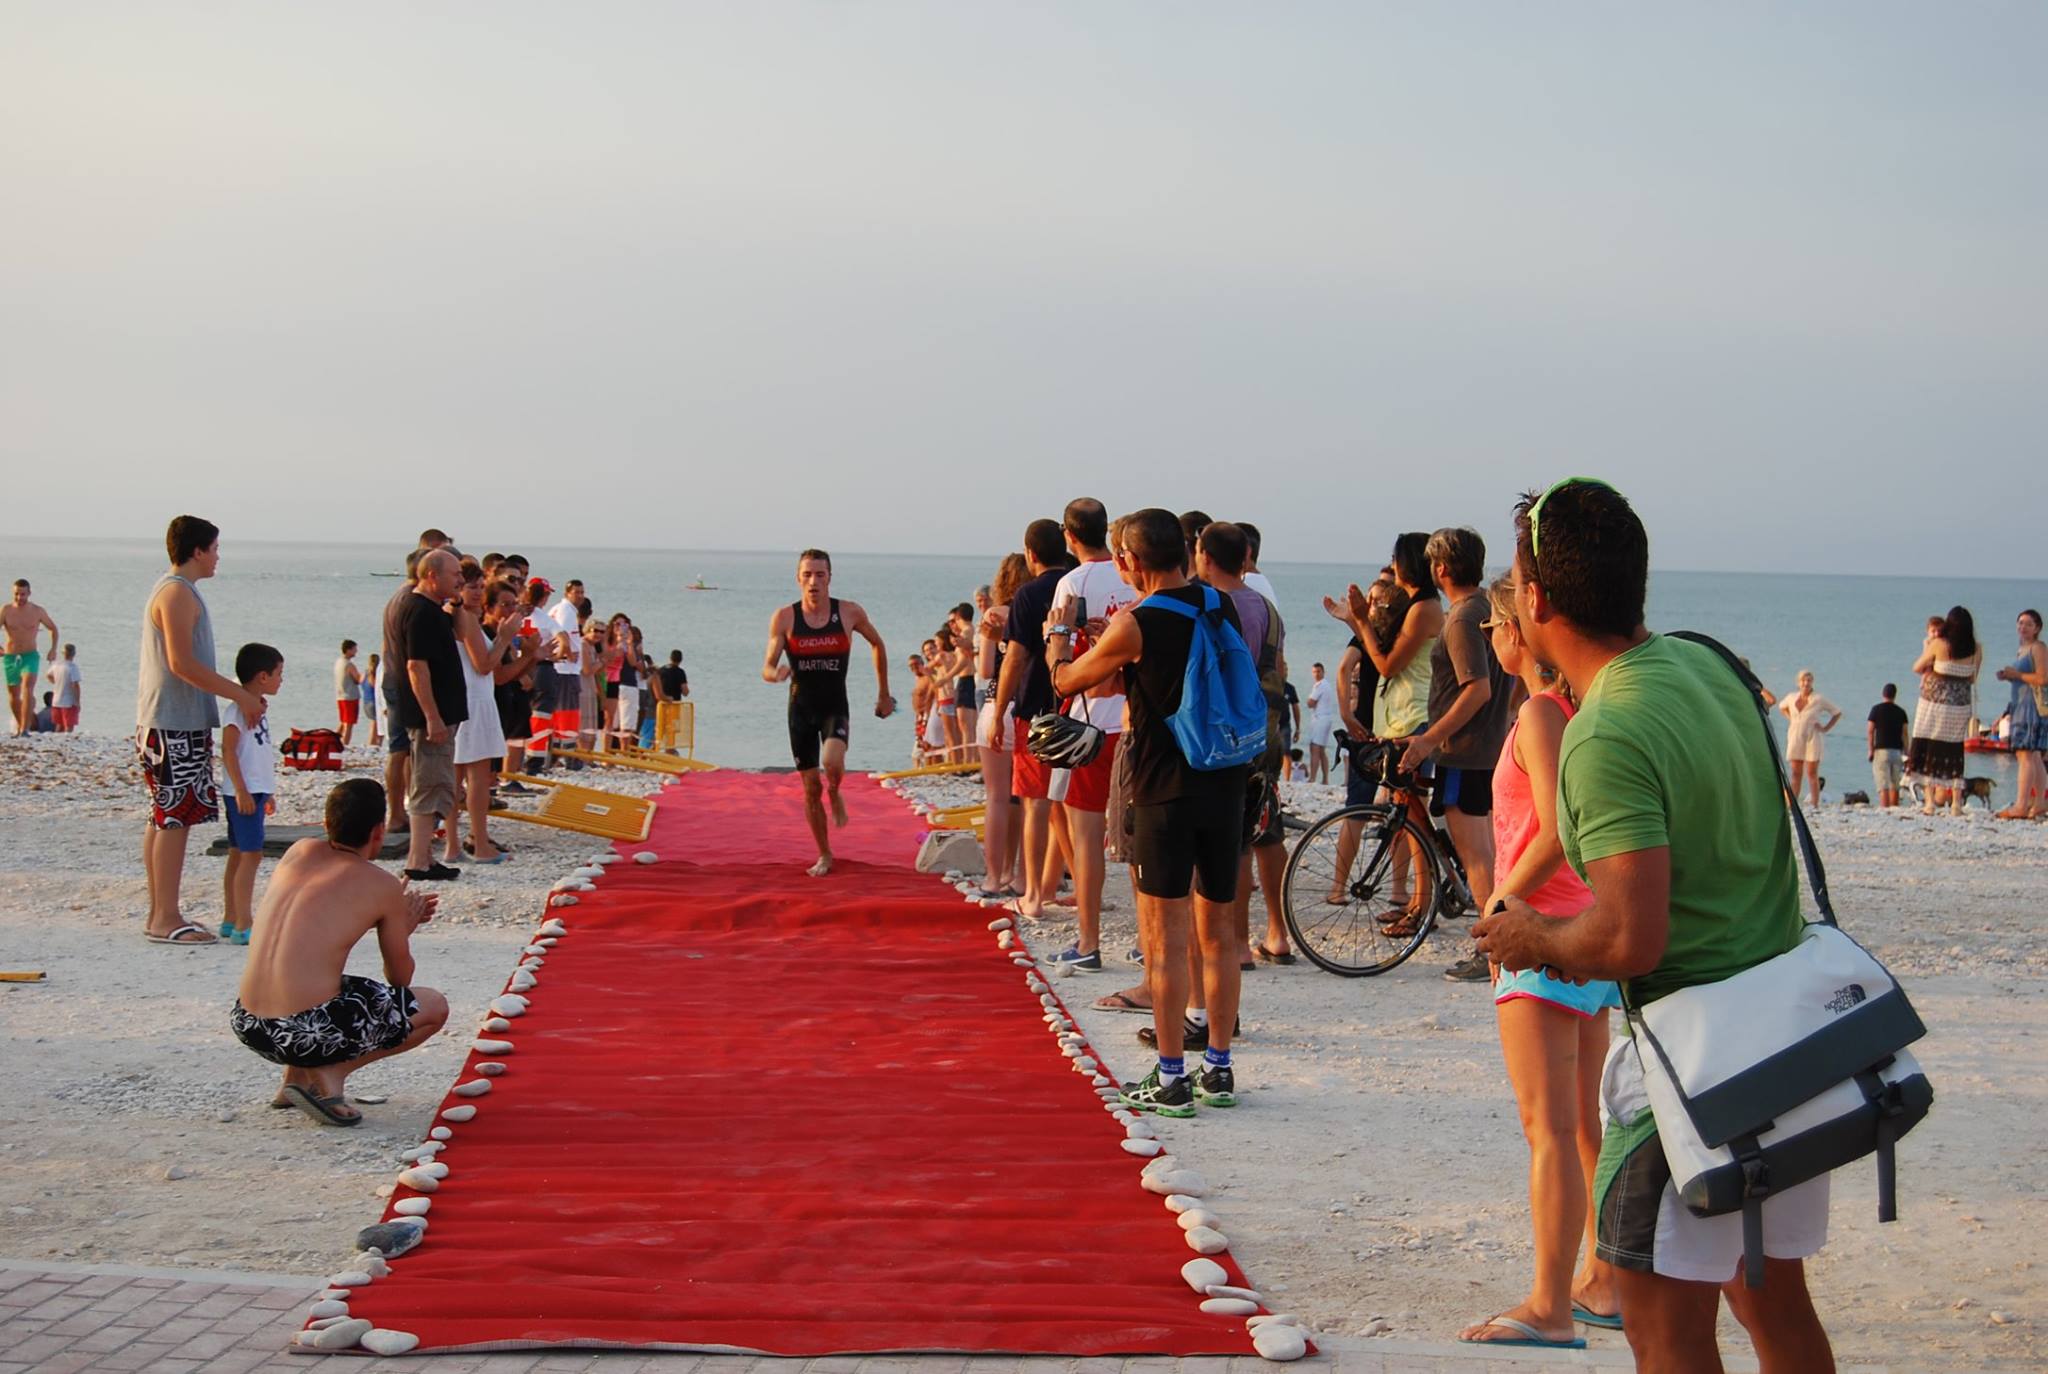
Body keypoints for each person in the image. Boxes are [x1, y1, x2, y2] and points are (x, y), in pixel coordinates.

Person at [1474, 479, 1833, 1374]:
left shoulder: (1604, 733)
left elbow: (1631, 939)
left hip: (1690, 1065)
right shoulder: (1707, 666)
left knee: (1664, 1330)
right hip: (1784, 1036)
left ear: (1540, 600)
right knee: (1773, 1302)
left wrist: (1534, 941)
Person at [1458, 574, 1620, 1349]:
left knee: (1549, 1129)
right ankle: (1602, 1281)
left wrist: (1498, 903)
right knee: (1583, 1127)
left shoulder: (1536, 712)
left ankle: (1551, 1305)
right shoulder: (1573, 710)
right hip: (1579, 929)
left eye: (1494, 627)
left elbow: (1557, 827)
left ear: (1515, 633)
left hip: (1542, 932)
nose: (1490, 640)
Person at [1050, 507, 1249, 1117]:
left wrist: (1058, 638)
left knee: (1163, 942)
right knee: (1219, 935)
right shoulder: (1222, 605)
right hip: (1226, 780)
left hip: (1165, 790)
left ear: (1132, 561)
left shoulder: (1137, 622)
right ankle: (1218, 1068)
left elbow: (1069, 683)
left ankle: (1170, 1078)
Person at [230, 779, 451, 1126]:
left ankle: (295, 1079)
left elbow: (315, 936)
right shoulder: (381, 884)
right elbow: (400, 980)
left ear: (326, 825)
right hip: (306, 1033)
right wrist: (400, 927)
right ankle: (333, 1073)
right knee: (433, 1006)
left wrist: (379, 917)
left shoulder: (298, 851)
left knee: (322, 980)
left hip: (250, 1023)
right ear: (379, 832)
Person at [138, 515, 263, 946]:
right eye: (214, 549)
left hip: (172, 720)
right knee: (175, 818)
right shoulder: (176, 593)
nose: (217, 557)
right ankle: (165, 917)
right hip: (173, 721)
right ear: (197, 550)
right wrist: (241, 695)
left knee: (166, 816)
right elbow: (181, 664)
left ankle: (161, 912)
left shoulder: (178, 591)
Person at [1401, 527, 1515, 983]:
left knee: (1478, 860)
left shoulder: (1465, 617)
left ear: (1441, 568)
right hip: (1488, 749)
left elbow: (1478, 689)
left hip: (1465, 753)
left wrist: (1429, 739)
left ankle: (1491, 954)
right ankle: (1498, 948)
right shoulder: (1490, 607)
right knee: (1489, 855)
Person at [1043, 497, 1138, 971]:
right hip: (1136, 718)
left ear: (1069, 535)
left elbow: (1060, 655)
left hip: (1091, 717)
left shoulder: (1073, 582)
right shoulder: (1132, 577)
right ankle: (1147, 936)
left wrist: (1053, 636)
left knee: (1085, 833)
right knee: (1139, 833)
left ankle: (1089, 941)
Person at [1328, 535, 1441, 928]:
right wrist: (1355, 618)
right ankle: (1415, 903)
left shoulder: (1424, 608)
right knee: (1407, 817)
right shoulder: (1414, 608)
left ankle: (1420, 905)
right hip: (1398, 721)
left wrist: (1360, 619)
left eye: (1396, 559)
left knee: (1414, 820)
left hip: (1412, 720)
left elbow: (1388, 665)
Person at [760, 549, 894, 876]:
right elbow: (767, 664)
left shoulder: (848, 612)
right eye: (807, 575)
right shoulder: (784, 618)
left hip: (835, 705)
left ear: (830, 578)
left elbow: (878, 644)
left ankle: (835, 790)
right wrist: (773, 673)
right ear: (798, 579)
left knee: (832, 762)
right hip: (800, 710)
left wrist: (883, 693)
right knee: (809, 788)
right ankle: (824, 853)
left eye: (820, 575)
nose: (813, 581)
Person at [986, 520, 1069, 917]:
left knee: (1036, 803)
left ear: (1031, 553)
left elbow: (1014, 659)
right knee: (1070, 806)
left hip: (1036, 709)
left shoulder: (1030, 594)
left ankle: (1034, 892)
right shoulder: (1078, 584)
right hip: (1079, 707)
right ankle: (1058, 886)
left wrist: (998, 711)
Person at [390, 549, 468, 881]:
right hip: (429, 717)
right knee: (428, 783)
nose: (460, 580)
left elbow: (462, 633)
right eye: (453, 575)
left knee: (439, 784)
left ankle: (422, 856)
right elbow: (416, 668)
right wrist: (432, 716)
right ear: (432, 575)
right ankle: (417, 859)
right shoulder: (419, 611)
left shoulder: (435, 610)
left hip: (443, 713)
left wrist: (459, 602)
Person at [447, 566, 526, 865]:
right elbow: (484, 665)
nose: (479, 592)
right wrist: (505, 637)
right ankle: (479, 844)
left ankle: (454, 844)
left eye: (481, 586)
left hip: (466, 698)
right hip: (475, 699)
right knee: (476, 779)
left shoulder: (459, 616)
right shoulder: (465, 618)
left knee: (456, 779)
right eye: (472, 586)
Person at [380, 531, 455, 832]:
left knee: (403, 750)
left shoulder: (405, 599)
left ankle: (404, 812)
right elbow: (415, 662)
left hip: (397, 679)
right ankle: (403, 813)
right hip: (402, 682)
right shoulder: (413, 603)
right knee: (405, 750)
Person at [219, 643, 284, 945]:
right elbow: (228, 750)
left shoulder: (257, 708)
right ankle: (245, 921)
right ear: (261, 676)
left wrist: (266, 792)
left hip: (256, 790)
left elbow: (256, 753)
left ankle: (231, 918)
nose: (281, 680)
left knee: (237, 854)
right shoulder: (238, 710)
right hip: (243, 792)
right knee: (251, 856)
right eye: (278, 674)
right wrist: (242, 791)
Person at [976, 553, 1028, 898]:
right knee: (1026, 799)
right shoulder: (1034, 612)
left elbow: (983, 670)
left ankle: (993, 877)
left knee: (996, 798)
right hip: (1025, 708)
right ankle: (1021, 874)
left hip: (995, 705)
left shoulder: (994, 615)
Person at [1906, 607, 1981, 817]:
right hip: (1959, 706)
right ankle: (1956, 804)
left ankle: (1930, 802)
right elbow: (1973, 678)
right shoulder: (1976, 648)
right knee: (1954, 751)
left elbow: (1917, 666)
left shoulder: (1940, 644)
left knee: (1929, 748)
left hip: (1933, 702)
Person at [1992, 610, 2047, 819]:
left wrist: (2017, 675)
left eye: (2028, 624)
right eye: (2020, 623)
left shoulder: (2038, 647)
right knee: (2033, 756)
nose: (2023, 627)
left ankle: (2021, 805)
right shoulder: (2022, 650)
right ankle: (2039, 803)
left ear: (2037, 628)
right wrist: (2009, 677)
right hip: (2021, 703)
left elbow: (2043, 678)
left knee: (2025, 754)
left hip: (2032, 707)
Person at [3, 578, 59, 737]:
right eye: (16, 594)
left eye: (23, 594)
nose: (20, 598)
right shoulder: (6, 610)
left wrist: (53, 649)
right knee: (13, 694)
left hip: (30, 655)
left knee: (28, 687)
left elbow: (53, 629)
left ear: (29, 593)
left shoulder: (37, 611)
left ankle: (24, 729)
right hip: (11, 656)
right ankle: (20, 724)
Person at [1777, 672, 1841, 809]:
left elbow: (1836, 712)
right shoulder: (1791, 697)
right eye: (1803, 680)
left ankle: (1814, 803)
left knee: (1812, 772)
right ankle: (1792, 803)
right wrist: (1791, 719)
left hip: (1813, 736)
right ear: (1798, 682)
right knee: (1795, 772)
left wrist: (1825, 728)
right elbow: (1781, 707)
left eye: (1809, 680)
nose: (1806, 683)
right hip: (1795, 736)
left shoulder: (1818, 699)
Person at [1866, 684, 1909, 809]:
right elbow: (1905, 734)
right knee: (1895, 784)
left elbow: (1870, 730)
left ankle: (1884, 808)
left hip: (1881, 750)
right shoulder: (1901, 712)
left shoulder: (1876, 709)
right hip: (1897, 751)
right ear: (1895, 695)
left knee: (1883, 783)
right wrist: (1907, 752)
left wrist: (1870, 749)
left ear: (1883, 694)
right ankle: (1894, 808)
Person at [1303, 662, 1336, 783]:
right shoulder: (1323, 685)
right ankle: (1325, 779)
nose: (1316, 674)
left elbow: (1310, 703)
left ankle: (1313, 777)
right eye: (1314, 672)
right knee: (1321, 749)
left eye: (1318, 672)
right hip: (1323, 718)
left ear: (1323, 672)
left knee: (1315, 748)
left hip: (1321, 718)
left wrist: (1310, 701)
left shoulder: (1321, 685)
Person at [654, 649, 690, 752]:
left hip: (660, 704)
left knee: (660, 727)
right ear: (681, 660)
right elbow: (685, 692)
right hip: (674, 705)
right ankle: (669, 749)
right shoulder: (680, 672)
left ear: (670, 658)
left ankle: (655, 748)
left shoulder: (661, 670)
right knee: (672, 729)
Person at [45, 643, 82, 732]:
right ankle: (67, 739)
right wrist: (77, 701)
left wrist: (55, 682)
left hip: (56, 699)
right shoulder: (72, 667)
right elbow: (75, 685)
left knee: (59, 723)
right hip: (68, 701)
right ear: (73, 654)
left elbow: (48, 675)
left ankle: (57, 740)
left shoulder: (56, 665)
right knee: (69, 724)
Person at [333, 640, 362, 747]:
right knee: (349, 724)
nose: (356, 651)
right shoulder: (349, 665)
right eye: (354, 649)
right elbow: (358, 679)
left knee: (342, 721)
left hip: (340, 695)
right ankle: (345, 745)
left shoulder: (338, 662)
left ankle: (334, 741)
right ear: (349, 650)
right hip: (350, 697)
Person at [361, 653, 383, 749]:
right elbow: (377, 688)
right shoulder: (374, 674)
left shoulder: (364, 673)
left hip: (366, 702)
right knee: (378, 726)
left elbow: (360, 682)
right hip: (374, 703)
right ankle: (375, 745)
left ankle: (372, 745)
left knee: (373, 725)